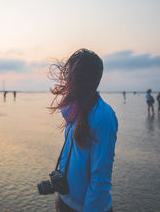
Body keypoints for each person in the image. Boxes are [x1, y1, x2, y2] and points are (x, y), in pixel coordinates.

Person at [49, 49, 118, 212]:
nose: (66, 78)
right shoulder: (73, 110)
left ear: (84, 79)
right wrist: (61, 198)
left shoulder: (103, 116)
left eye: (70, 74)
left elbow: (101, 177)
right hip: (65, 201)